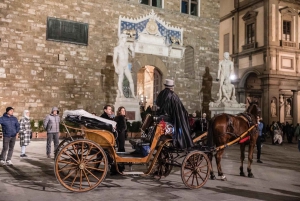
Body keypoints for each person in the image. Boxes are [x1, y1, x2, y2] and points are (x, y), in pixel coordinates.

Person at [156, 79, 194, 149]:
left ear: (165, 85)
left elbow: (157, 104)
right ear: (172, 87)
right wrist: (185, 113)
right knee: (182, 122)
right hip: (169, 118)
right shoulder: (173, 95)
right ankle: (184, 141)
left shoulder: (161, 93)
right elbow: (179, 108)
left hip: (160, 116)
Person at [113, 34, 136, 98]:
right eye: (125, 38)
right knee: (121, 79)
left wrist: (133, 50)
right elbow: (114, 59)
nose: (126, 39)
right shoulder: (117, 48)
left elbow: (133, 57)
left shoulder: (127, 47)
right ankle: (121, 94)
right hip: (120, 65)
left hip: (126, 66)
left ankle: (133, 95)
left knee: (131, 80)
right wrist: (116, 67)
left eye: (126, 38)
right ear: (121, 39)